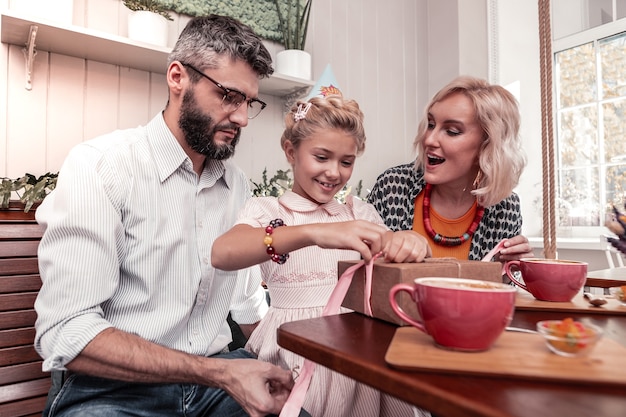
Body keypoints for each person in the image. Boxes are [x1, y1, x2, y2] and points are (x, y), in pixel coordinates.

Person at [34, 15, 309, 417]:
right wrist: (218, 373)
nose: (243, 118)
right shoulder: (101, 167)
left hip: (217, 382)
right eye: (229, 96)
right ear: (178, 77)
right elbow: (66, 332)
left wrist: (295, 368)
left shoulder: (237, 185)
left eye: (250, 102)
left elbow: (249, 304)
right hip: (113, 391)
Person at [211, 88, 431, 417]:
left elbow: (394, 253)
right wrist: (315, 232)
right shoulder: (268, 211)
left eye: (346, 162)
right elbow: (223, 252)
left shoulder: (359, 214)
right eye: (321, 157)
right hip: (293, 353)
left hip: (357, 357)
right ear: (291, 151)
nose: (334, 172)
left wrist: (412, 241)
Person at [368, 75, 534, 262]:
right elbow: (362, 273)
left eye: (452, 131)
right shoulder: (393, 187)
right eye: (431, 125)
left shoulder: (505, 207)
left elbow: (499, 289)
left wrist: (506, 270)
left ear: (487, 145)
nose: (429, 139)